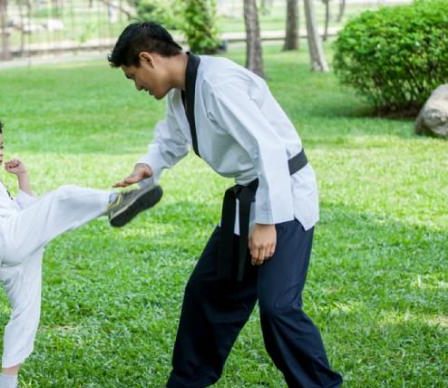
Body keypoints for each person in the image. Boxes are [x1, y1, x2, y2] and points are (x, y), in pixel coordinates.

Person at [108, 22, 343, 387]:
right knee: (208, 293)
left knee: (278, 308)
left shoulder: (218, 84)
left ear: (147, 59)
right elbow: (171, 139)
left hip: (283, 195)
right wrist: (147, 166)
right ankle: (187, 382)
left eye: (132, 76)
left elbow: (267, 148)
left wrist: (266, 222)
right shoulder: (181, 91)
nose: (137, 86)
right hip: (245, 200)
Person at [0, 115, 162, 388]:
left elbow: (28, 213)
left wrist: (23, 177)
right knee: (62, 197)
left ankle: (7, 380)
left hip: (9, 251)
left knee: (26, 311)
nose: (1, 152)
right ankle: (114, 202)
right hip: (4, 236)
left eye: (2, 146)